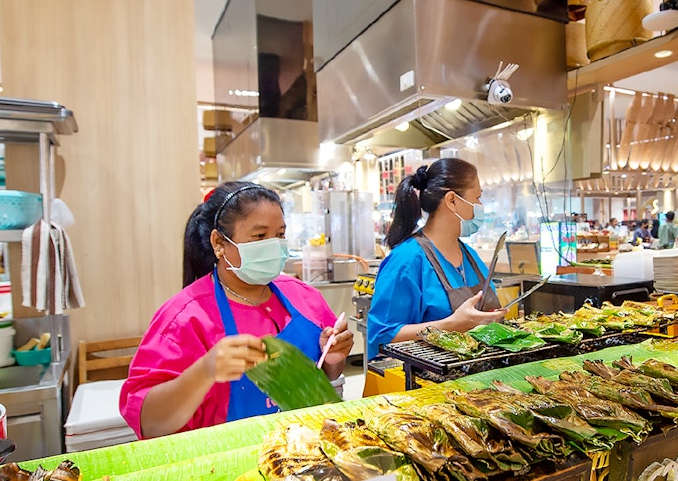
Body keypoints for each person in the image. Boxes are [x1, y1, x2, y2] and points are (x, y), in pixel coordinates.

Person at [120, 182, 353, 438]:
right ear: (219, 242)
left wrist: (334, 358)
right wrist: (205, 371)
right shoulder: (184, 318)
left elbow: (328, 374)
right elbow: (149, 423)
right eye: (260, 236)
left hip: (304, 449)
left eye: (280, 235)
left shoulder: (303, 296)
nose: (274, 246)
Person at [367, 158, 504, 358]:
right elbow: (381, 336)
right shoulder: (406, 261)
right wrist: (451, 325)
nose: (480, 205)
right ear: (452, 200)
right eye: (477, 197)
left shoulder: (470, 256)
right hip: (424, 383)